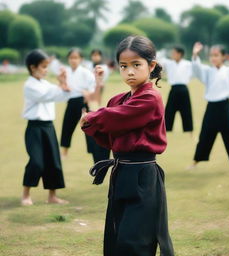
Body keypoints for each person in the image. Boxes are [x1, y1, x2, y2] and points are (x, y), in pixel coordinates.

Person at [80, 36, 174, 256]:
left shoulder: (150, 98)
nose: (129, 71)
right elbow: (108, 138)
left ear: (151, 66)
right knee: (116, 235)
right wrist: (91, 123)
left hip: (143, 175)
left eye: (136, 65)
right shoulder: (117, 100)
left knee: (135, 241)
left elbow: (116, 118)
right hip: (121, 173)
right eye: (124, 66)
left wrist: (92, 117)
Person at [22, 49, 75, 206]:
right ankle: (26, 195)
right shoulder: (29, 85)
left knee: (53, 161)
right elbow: (46, 95)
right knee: (37, 162)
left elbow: (62, 95)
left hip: (49, 127)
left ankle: (52, 196)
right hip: (34, 128)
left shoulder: (45, 84)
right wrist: (61, 84)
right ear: (33, 68)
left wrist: (63, 84)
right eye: (44, 66)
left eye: (47, 66)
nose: (46, 70)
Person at [189, 42, 229, 174]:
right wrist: (195, 53)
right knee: (205, 135)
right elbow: (196, 69)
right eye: (211, 55)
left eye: (216, 55)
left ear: (223, 57)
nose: (213, 58)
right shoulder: (207, 71)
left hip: (224, 107)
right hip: (211, 107)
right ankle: (195, 162)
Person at [60, 48, 102, 160]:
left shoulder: (85, 72)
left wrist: (87, 94)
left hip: (83, 103)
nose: (73, 60)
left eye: (76, 58)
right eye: (71, 58)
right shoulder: (66, 72)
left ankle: (93, 151)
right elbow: (63, 86)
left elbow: (92, 89)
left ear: (81, 59)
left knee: (88, 128)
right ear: (68, 59)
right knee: (67, 126)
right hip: (71, 102)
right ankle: (64, 151)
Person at [162, 46, 194, 135]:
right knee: (169, 110)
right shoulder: (169, 63)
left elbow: (193, 74)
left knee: (186, 110)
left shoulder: (188, 64)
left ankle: (189, 130)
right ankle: (166, 129)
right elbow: (158, 60)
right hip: (174, 89)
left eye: (174, 53)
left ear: (180, 54)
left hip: (183, 89)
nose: (172, 55)